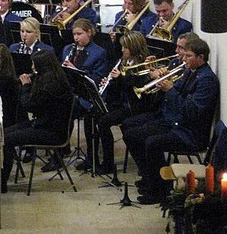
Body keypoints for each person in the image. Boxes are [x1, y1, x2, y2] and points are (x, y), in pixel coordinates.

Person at [124, 38, 219, 204]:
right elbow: (175, 96)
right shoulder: (191, 71)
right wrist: (162, 85)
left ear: (201, 57)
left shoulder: (206, 80)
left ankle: (160, 191)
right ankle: (150, 179)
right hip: (175, 122)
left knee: (152, 143)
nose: (183, 59)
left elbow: (193, 112)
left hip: (189, 133)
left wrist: (171, 90)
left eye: (188, 56)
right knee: (132, 134)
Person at [1, 49, 73, 193]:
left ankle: (1, 183)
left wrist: (26, 86)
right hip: (43, 124)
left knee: (6, 139)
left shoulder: (51, 85)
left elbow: (30, 106)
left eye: (34, 64)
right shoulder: (49, 78)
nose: (32, 67)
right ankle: (1, 178)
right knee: (3, 133)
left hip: (51, 131)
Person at [95, 31, 153, 174]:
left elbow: (138, 88)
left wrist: (120, 79)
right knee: (96, 114)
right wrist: (110, 82)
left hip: (137, 106)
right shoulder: (123, 61)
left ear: (133, 48)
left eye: (125, 48)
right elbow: (121, 89)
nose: (122, 50)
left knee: (104, 122)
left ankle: (108, 163)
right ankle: (95, 158)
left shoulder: (144, 64)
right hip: (123, 103)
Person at [62, 18, 109, 171]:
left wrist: (74, 69)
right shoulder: (68, 49)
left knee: (84, 116)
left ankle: (91, 157)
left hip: (88, 97)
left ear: (89, 32)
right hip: (71, 93)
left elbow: (97, 78)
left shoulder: (99, 52)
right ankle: (61, 147)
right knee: (58, 110)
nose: (76, 38)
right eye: (74, 34)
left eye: (79, 34)